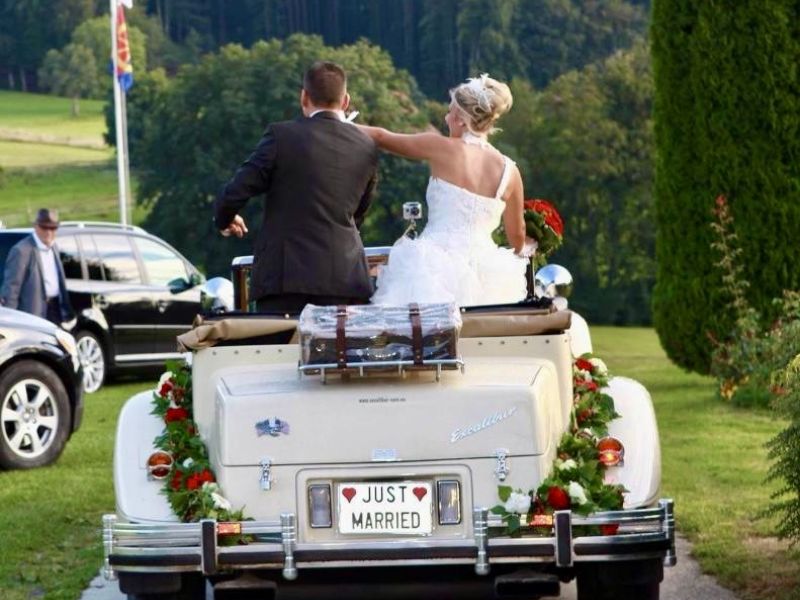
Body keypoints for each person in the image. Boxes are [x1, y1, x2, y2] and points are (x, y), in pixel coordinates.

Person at [213, 60, 379, 315]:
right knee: (339, 355)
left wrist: (225, 218)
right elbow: (358, 215)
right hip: (346, 281)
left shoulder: (281, 136)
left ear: (304, 97)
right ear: (345, 101)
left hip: (285, 282)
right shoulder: (366, 146)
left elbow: (236, 190)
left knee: (282, 354)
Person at [357, 74, 530, 307]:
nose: (446, 117)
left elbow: (380, 136)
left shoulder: (441, 147)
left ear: (460, 119)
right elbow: (517, 238)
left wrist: (336, 121)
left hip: (432, 268)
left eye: (450, 112)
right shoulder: (510, 172)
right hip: (488, 273)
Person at [0, 208, 73, 325]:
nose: (49, 232)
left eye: (53, 228)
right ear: (36, 226)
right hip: (33, 315)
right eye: (44, 227)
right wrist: (10, 321)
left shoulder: (54, 247)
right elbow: (11, 289)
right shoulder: (21, 250)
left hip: (55, 311)